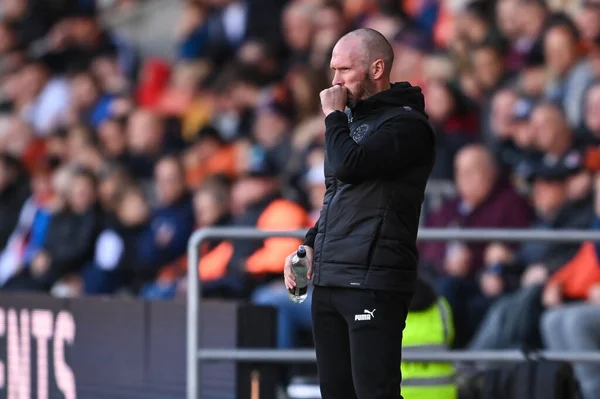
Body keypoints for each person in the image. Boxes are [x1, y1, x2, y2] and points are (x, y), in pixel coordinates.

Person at [283, 28, 436, 399]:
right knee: (336, 392)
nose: (334, 82)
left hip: (374, 279)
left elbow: (351, 166)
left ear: (377, 68)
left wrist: (333, 117)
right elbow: (338, 195)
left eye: (344, 70)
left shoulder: (407, 125)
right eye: (333, 71)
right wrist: (308, 246)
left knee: (375, 391)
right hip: (332, 278)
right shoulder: (351, 123)